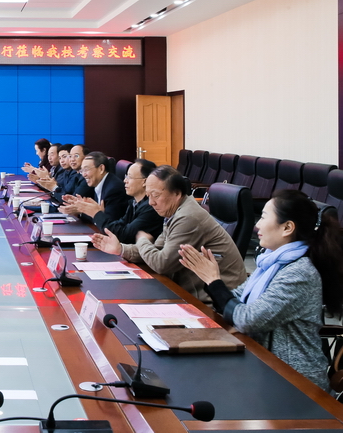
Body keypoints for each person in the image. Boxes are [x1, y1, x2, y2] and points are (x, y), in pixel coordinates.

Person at [178, 190, 343, 392]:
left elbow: (249, 320)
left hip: (294, 381)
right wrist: (211, 280)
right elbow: (238, 298)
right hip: (263, 363)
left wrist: (214, 281)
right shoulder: (272, 261)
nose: (257, 225)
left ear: (287, 227)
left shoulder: (299, 272)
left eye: (264, 217)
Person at [92, 165, 246, 301]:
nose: (151, 202)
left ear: (177, 194)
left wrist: (142, 240)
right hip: (195, 291)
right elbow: (157, 250)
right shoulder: (174, 212)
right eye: (148, 196)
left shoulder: (188, 217)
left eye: (156, 195)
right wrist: (121, 249)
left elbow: (162, 263)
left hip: (217, 302)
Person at [81, 159, 163, 243]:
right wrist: (100, 214)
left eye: (129, 177)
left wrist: (96, 214)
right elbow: (120, 225)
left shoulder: (151, 207)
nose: (125, 181)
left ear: (145, 181)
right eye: (126, 176)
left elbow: (124, 235)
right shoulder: (133, 203)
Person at [59, 151, 128, 222]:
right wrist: (82, 206)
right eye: (82, 170)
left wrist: (83, 210)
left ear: (101, 169)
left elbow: (110, 222)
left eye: (86, 169)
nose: (84, 175)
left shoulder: (114, 189)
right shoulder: (99, 183)